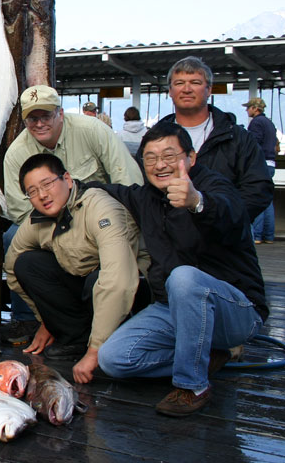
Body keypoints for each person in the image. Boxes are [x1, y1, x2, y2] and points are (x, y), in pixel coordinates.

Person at [95, 123, 267, 417]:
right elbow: (112, 190)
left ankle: (193, 385)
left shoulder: (214, 187)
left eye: (169, 155)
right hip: (172, 308)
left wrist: (196, 203)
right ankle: (208, 355)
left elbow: (232, 215)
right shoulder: (145, 197)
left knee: (184, 277)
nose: (159, 164)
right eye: (150, 157)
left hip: (236, 309)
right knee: (113, 359)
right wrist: (69, 188)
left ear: (192, 157)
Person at [2, 85, 143, 345]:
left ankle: (110, 332)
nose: (40, 123)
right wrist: (64, 244)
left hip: (102, 220)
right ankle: (36, 320)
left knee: (112, 272)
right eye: (33, 118)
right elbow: (23, 214)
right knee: (14, 242)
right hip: (54, 232)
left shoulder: (93, 131)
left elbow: (130, 186)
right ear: (25, 121)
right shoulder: (15, 154)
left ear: (61, 114)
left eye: (46, 115)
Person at [5, 153, 148, 384]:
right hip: (84, 287)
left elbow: (118, 282)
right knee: (26, 264)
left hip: (131, 293)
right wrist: (46, 321)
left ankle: (102, 343)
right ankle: (76, 339)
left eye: (47, 184)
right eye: (32, 191)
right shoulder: (38, 219)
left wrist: (95, 352)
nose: (42, 195)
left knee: (98, 280)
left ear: (68, 180)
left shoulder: (99, 207)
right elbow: (11, 267)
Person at [151, 56, 271, 220]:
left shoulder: (238, 138)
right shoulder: (153, 140)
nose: (187, 89)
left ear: (209, 90)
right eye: (179, 83)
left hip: (224, 239)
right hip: (170, 239)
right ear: (170, 91)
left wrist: (222, 217)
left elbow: (258, 189)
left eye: (195, 82)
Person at [243, 97, 277, 244]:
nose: (246, 110)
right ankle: (268, 236)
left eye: (248, 107)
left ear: (255, 108)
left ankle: (256, 235)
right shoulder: (269, 122)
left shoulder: (256, 123)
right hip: (271, 163)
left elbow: (253, 144)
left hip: (260, 164)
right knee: (267, 201)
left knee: (256, 197)